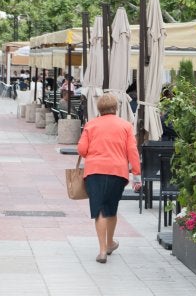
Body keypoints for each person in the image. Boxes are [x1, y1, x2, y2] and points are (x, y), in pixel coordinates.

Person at [77, 93, 142, 264]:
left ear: (99, 108)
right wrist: (137, 175)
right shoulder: (126, 126)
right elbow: (132, 152)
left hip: (94, 171)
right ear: (116, 108)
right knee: (111, 208)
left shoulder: (91, 125)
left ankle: (102, 251)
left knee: (99, 209)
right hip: (117, 172)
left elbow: (82, 149)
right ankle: (110, 242)